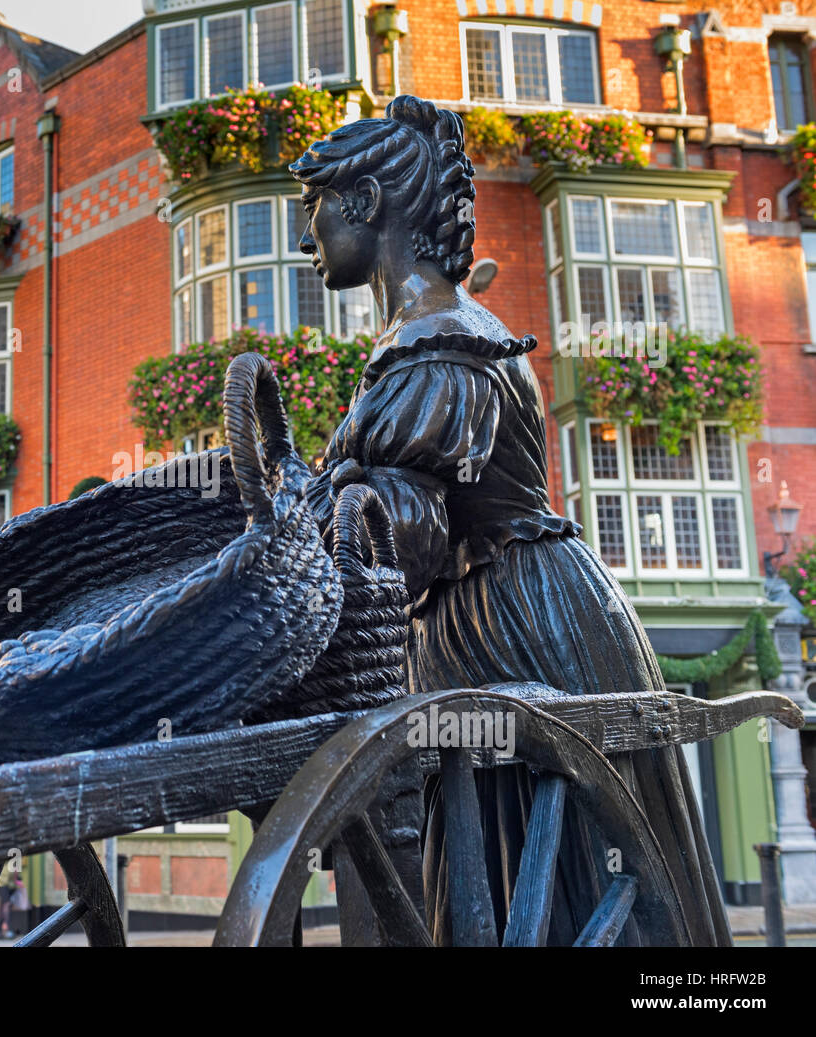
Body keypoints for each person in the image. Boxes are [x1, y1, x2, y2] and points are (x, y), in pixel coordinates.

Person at [289, 95, 730, 945]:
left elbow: (398, 542)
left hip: (515, 620)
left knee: (562, 865)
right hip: (490, 612)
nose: (307, 238)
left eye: (315, 208)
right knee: (505, 855)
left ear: (368, 203)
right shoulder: (425, 338)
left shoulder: (443, 345)